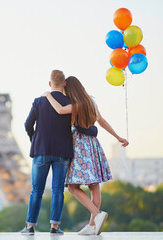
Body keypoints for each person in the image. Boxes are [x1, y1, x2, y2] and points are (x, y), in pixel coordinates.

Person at [43, 76, 129, 235]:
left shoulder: (76, 105)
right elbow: (101, 121)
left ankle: (96, 214)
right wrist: (118, 137)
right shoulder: (91, 102)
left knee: (73, 187)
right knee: (94, 186)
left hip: (79, 146)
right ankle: (91, 226)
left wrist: (48, 95)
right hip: (93, 145)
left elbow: (60, 110)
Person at [21, 70, 98, 235]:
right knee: (57, 190)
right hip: (62, 152)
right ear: (64, 84)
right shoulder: (71, 103)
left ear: (50, 84)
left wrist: (34, 139)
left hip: (41, 150)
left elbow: (28, 124)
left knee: (37, 190)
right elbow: (80, 125)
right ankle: (54, 227)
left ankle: (29, 227)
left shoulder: (38, 101)